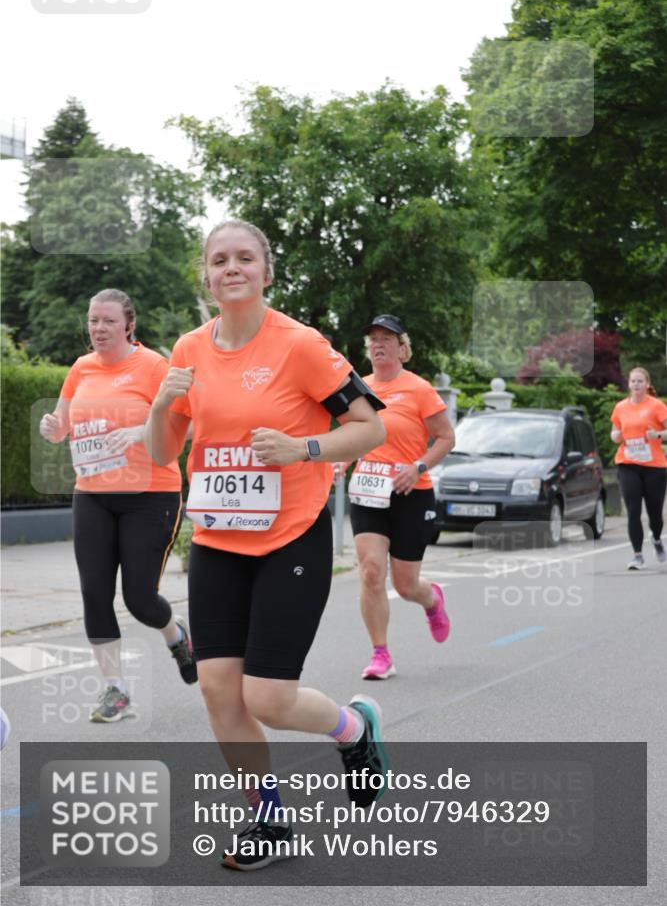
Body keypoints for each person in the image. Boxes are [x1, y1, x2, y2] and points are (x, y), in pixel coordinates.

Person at [144, 220, 389, 871]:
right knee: (218, 691)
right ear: (205, 275)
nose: (232, 268)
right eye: (219, 259)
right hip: (217, 541)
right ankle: (269, 819)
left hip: (290, 538)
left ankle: (354, 729)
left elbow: (369, 427)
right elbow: (162, 452)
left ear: (266, 272)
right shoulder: (188, 349)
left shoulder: (300, 345)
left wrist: (303, 447)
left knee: (269, 699)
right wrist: (160, 406)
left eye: (244, 258)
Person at [39, 289, 196, 723]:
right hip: (92, 494)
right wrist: (52, 428)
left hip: (151, 495)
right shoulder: (81, 368)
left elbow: (185, 425)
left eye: (109, 321)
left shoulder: (154, 367)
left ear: (129, 325)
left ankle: (176, 635)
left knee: (140, 599)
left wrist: (141, 432)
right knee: (94, 593)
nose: (99, 328)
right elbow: (62, 426)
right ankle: (116, 690)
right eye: (93, 320)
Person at [342, 314, 455, 681]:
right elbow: (352, 435)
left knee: (405, 585)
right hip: (368, 491)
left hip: (411, 492)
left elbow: (446, 438)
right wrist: (342, 459)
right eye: (373, 339)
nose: (378, 345)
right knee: (371, 571)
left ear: (402, 348)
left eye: (386, 339)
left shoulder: (419, 388)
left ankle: (431, 599)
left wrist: (418, 467)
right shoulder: (359, 388)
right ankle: (381, 654)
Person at [610, 367, 667, 569]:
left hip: (654, 467)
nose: (636, 384)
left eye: (640, 381)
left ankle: (657, 539)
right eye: (633, 381)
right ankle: (637, 555)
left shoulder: (656, 406)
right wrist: (616, 436)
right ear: (628, 384)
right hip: (628, 464)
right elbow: (614, 432)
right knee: (633, 510)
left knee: (655, 513)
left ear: (647, 384)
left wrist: (657, 435)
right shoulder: (620, 407)